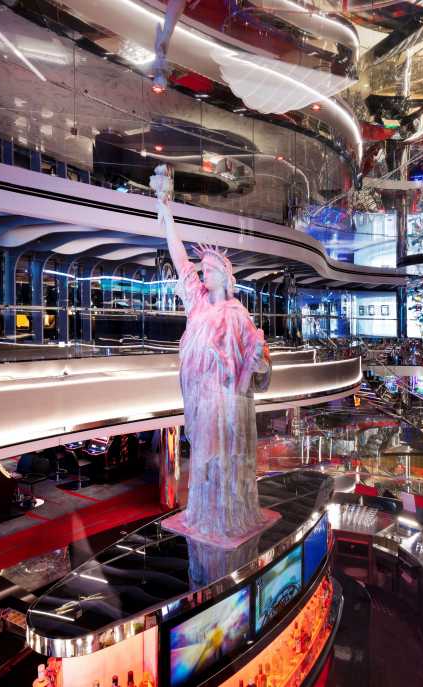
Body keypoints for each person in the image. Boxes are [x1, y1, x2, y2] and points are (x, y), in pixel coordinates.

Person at [150, 165, 272, 541]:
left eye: (210, 270)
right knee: (204, 455)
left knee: (225, 456)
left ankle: (227, 515)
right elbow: (179, 259)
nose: (203, 274)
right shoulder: (198, 303)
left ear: (225, 275)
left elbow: (258, 363)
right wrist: (166, 211)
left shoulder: (237, 313)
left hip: (227, 398)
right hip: (203, 395)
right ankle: (205, 514)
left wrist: (258, 363)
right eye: (203, 269)